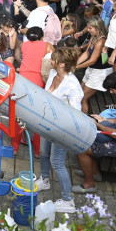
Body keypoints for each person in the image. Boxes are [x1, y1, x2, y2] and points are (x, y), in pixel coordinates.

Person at [36, 47, 82, 213]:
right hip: (47, 123)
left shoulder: (73, 86)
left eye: (53, 60)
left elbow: (76, 113)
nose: (50, 61)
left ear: (62, 64)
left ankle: (68, 200)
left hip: (62, 129)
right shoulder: (54, 75)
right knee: (43, 153)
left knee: (57, 162)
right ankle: (45, 179)